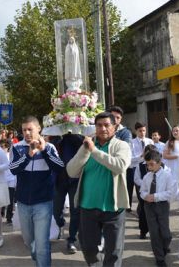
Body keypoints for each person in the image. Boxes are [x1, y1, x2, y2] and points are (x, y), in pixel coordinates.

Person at [67, 112, 131, 267]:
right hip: (88, 207)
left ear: (114, 127)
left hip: (113, 208)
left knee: (114, 251)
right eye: (99, 125)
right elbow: (71, 170)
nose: (103, 128)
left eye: (106, 125)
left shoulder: (121, 145)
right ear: (94, 128)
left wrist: (94, 151)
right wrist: (86, 149)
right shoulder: (87, 146)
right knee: (89, 248)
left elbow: (119, 165)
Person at [10, 116, 64, 267]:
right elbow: (13, 169)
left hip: (43, 202)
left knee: (41, 245)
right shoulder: (16, 147)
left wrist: (44, 150)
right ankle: (37, 255)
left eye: (30, 129)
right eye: (24, 130)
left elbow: (60, 167)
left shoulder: (50, 147)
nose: (27, 133)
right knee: (29, 241)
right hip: (23, 203)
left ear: (38, 129)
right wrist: (28, 155)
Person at [140, 150, 177, 267]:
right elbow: (142, 191)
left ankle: (164, 247)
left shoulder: (167, 175)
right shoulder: (147, 176)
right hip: (148, 206)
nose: (149, 166)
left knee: (165, 234)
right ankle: (159, 258)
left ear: (159, 162)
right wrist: (145, 196)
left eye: (151, 164)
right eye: (147, 164)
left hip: (162, 206)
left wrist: (155, 196)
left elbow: (171, 192)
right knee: (154, 233)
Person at [53, 133, 83, 254]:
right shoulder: (56, 137)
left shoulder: (79, 137)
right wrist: (59, 137)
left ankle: (71, 239)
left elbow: (83, 148)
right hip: (59, 179)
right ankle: (60, 224)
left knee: (75, 211)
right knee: (56, 211)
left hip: (75, 179)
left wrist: (73, 134)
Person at [134, 144, 162, 240]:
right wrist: (146, 184)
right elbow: (137, 179)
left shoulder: (161, 166)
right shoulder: (140, 166)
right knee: (143, 212)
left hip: (158, 192)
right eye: (148, 153)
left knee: (158, 213)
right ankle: (143, 231)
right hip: (144, 192)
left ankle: (159, 233)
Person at [129, 122, 154, 210]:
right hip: (136, 168)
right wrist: (141, 156)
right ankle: (141, 210)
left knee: (149, 188)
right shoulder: (131, 142)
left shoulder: (150, 141)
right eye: (140, 131)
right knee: (139, 189)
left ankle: (146, 209)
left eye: (144, 130)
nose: (142, 133)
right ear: (136, 131)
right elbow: (130, 159)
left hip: (149, 168)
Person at [0, 139, 16, 225]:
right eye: (0, 146)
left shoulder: (12, 155)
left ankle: (9, 218)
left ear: (8, 147)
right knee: (2, 198)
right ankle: (1, 213)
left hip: (11, 180)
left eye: (3, 147)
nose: (1, 148)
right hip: (2, 180)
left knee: (10, 199)